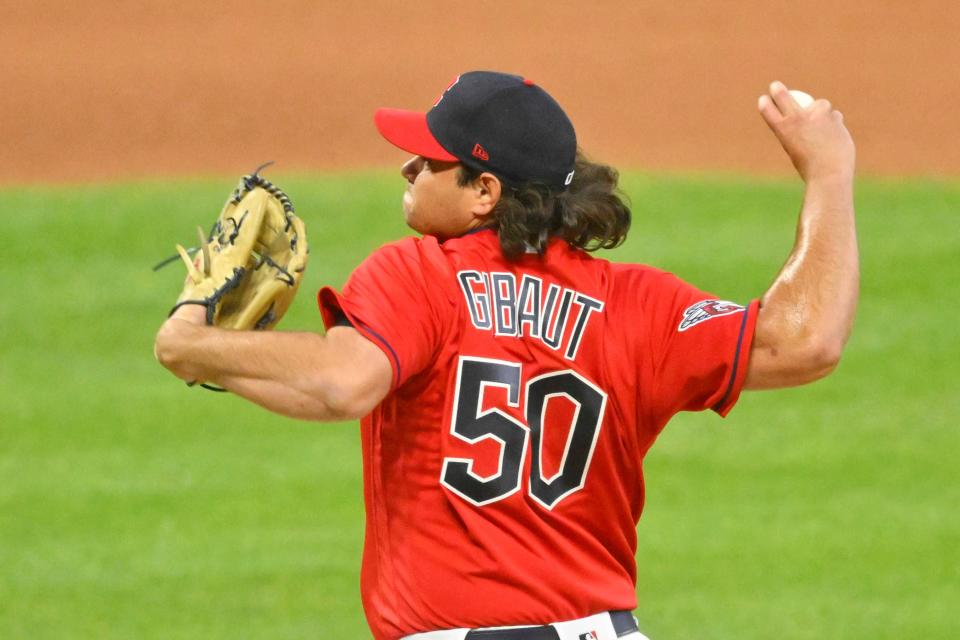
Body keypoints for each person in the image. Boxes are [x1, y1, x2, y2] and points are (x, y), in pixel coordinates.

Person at [155, 71, 858, 640]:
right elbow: (807, 340)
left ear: (484, 192)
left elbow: (343, 385)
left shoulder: (419, 276)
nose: (407, 166)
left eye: (430, 161)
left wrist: (196, 344)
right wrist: (828, 174)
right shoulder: (641, 306)